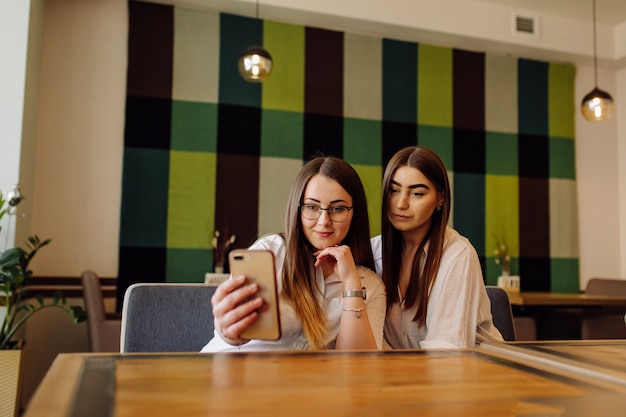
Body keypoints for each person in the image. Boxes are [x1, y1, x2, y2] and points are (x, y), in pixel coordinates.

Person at [202, 156, 386, 352]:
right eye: (312, 207)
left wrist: (352, 286)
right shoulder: (272, 251)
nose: (324, 221)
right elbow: (234, 329)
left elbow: (358, 365)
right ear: (297, 210)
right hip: (231, 367)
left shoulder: (370, 285)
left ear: (354, 213)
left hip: (293, 381)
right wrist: (227, 329)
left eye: (338, 209)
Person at [371, 146, 503, 349]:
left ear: (440, 198)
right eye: (394, 190)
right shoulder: (373, 252)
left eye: (416, 193)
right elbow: (369, 340)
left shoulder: (458, 255)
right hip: (403, 374)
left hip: (476, 373)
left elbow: (445, 351)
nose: (401, 203)